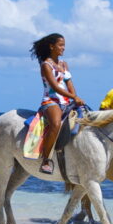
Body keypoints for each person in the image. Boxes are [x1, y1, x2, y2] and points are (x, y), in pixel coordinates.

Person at [31, 33, 86, 174]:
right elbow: (55, 87)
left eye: (64, 45)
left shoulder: (64, 64)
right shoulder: (46, 65)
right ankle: (46, 160)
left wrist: (75, 97)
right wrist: (74, 96)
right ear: (51, 46)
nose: (63, 48)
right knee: (55, 124)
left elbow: (69, 83)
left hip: (66, 101)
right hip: (51, 101)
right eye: (60, 45)